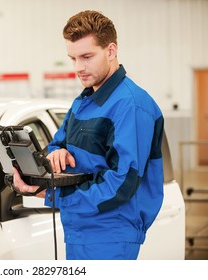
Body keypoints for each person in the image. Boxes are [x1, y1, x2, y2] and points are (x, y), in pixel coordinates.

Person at [12, 10, 164, 260]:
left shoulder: (132, 105)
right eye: (72, 58)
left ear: (111, 51)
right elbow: (55, 144)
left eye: (87, 56)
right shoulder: (84, 102)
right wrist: (57, 153)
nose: (78, 68)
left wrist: (49, 194)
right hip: (78, 230)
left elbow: (121, 185)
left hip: (110, 235)